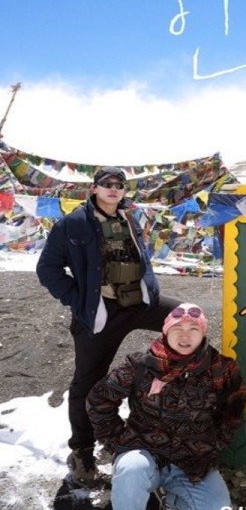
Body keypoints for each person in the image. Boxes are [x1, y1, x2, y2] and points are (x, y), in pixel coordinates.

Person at [36, 166, 182, 486]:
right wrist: (77, 299)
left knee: (186, 319)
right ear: (95, 188)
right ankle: (82, 450)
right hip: (101, 310)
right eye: (107, 184)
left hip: (139, 303)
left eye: (119, 184)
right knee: (86, 382)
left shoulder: (129, 217)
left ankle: (174, 406)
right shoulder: (74, 223)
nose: (113, 189)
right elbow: (48, 268)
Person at [86, 303, 246, 510]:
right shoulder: (140, 364)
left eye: (193, 328)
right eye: (177, 328)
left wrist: (214, 443)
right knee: (130, 469)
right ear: (165, 331)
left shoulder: (221, 369)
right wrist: (116, 441)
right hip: (144, 451)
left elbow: (233, 412)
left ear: (203, 333)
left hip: (191, 458)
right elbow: (100, 399)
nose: (185, 336)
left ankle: (170, 498)